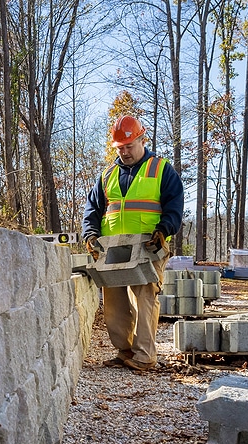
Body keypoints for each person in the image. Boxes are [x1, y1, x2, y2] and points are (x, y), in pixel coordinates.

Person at [82, 115, 184, 371]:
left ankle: (145, 356)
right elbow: (92, 209)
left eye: (129, 146)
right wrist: (90, 234)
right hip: (113, 245)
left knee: (145, 297)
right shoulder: (107, 175)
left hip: (149, 243)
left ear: (142, 139)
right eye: (120, 148)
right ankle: (124, 351)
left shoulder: (161, 170)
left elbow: (174, 206)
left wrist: (164, 230)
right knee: (114, 301)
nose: (125, 152)